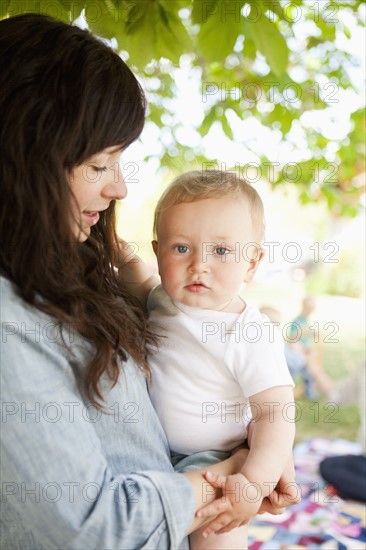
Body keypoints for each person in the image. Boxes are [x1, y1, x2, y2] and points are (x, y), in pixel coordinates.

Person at [0, 14, 300, 550]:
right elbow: (91, 528)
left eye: (121, 160)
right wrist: (235, 475)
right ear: (29, 157)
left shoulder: (70, 269)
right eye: (100, 163)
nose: (119, 187)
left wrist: (257, 464)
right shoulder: (13, 321)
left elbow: (273, 411)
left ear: (254, 262)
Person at [117, 170, 296, 549]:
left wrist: (253, 482)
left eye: (221, 251)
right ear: (158, 252)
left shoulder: (249, 332)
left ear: (251, 263)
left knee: (215, 534)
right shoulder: (164, 300)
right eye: (181, 248)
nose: (199, 265)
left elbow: (275, 414)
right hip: (150, 451)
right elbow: (144, 287)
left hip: (214, 459)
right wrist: (127, 263)